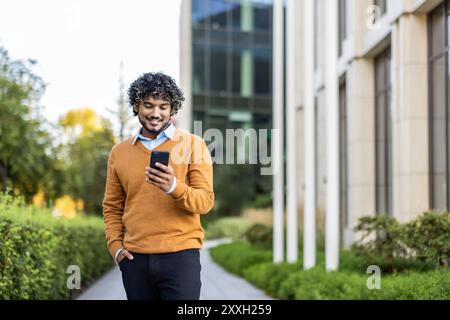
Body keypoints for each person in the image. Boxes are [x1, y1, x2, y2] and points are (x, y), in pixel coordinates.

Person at [102, 72, 214, 300]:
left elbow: (205, 201)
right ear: (136, 105)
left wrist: (173, 186)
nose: (155, 113)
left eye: (163, 106)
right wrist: (116, 248)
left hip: (181, 257)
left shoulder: (194, 145)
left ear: (173, 109)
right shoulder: (119, 153)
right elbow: (112, 206)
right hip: (135, 260)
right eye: (148, 105)